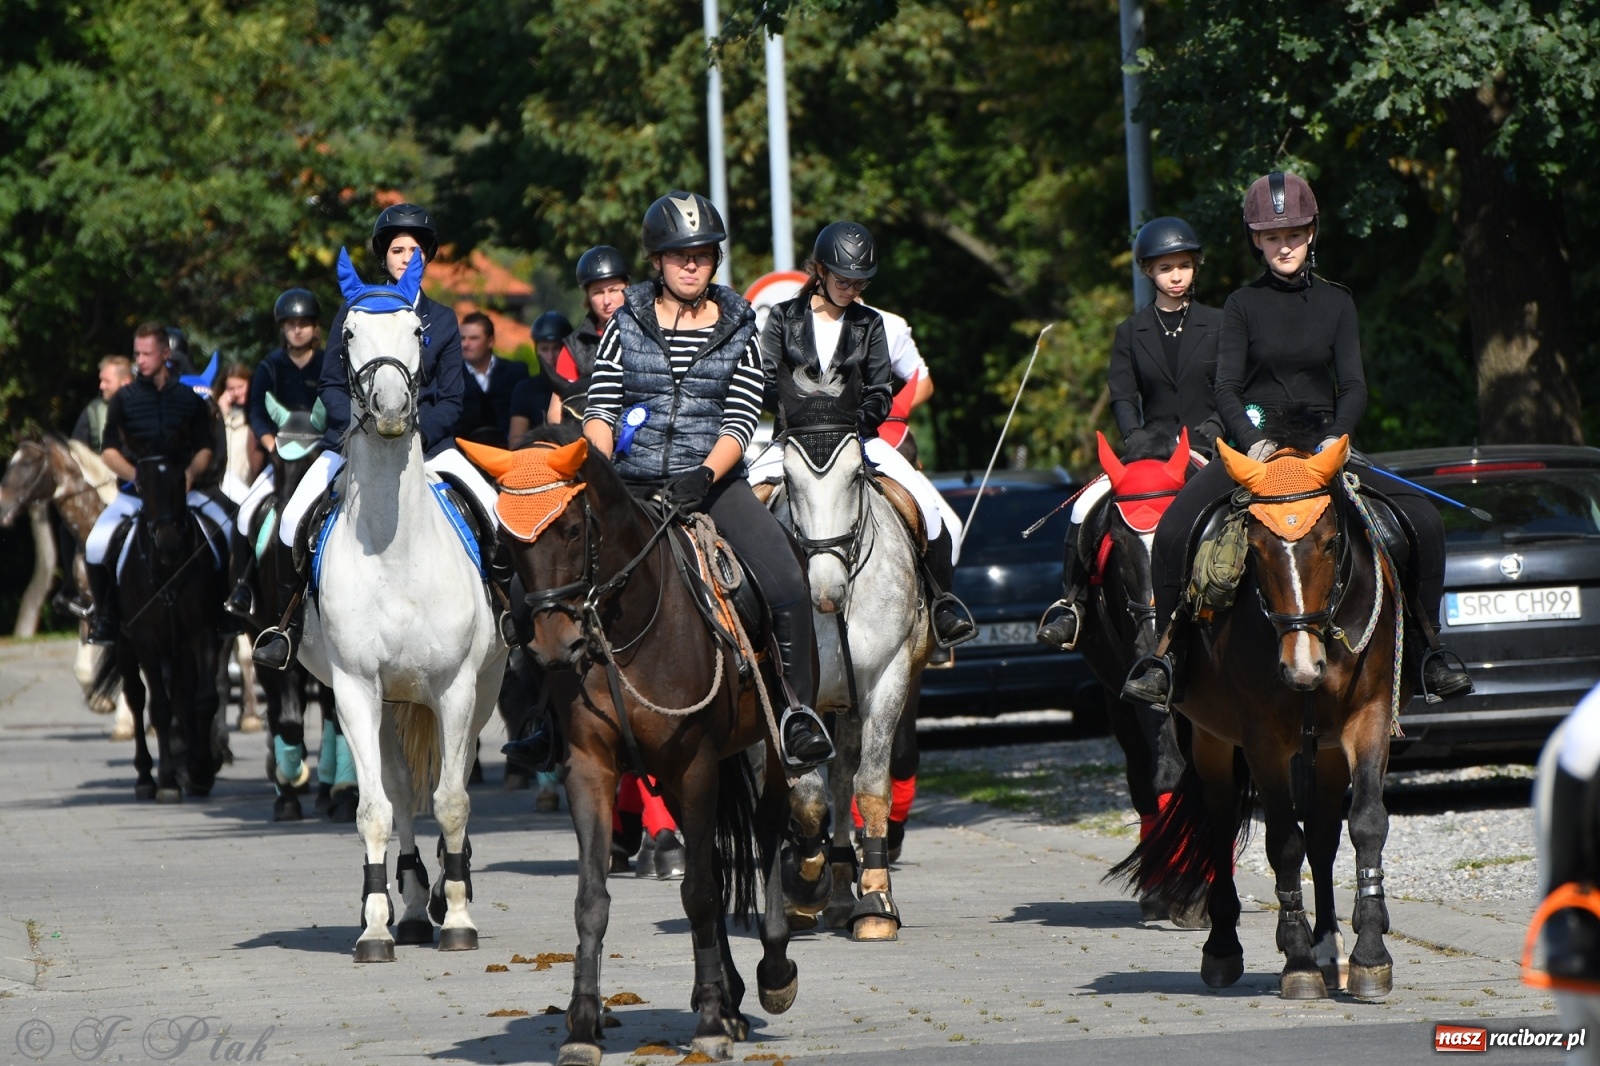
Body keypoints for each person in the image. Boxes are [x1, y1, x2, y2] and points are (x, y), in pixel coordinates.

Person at [510, 189, 834, 772]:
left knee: (787, 579)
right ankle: (544, 720)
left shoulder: (742, 325)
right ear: (656, 261)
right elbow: (603, 409)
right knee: (531, 581)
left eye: (704, 254)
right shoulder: (624, 322)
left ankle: (796, 714)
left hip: (710, 484)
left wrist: (704, 473)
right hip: (626, 485)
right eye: (680, 255)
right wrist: (600, 477)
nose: (692, 264)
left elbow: (740, 416)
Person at [1123, 172, 1473, 706]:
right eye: (1270, 236)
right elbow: (1226, 386)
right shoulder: (1241, 304)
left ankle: (1430, 651)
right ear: (1255, 241)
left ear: (1312, 233)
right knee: (1173, 530)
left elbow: (1353, 386)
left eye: (1294, 234)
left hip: (1324, 444)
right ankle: (1167, 657)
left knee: (1423, 520)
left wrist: (1336, 437)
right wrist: (1252, 441)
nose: (1283, 245)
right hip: (1258, 446)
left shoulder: (1338, 303)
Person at [253, 201, 500, 669]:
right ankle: (286, 626)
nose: (406, 257)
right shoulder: (354, 311)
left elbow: (451, 398)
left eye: (415, 250)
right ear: (384, 258)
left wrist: (414, 432)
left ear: (426, 258)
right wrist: (360, 430)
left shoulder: (443, 320)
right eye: (396, 249)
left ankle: (507, 613)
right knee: (290, 521)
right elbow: (330, 382)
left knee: (494, 511)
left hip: (429, 448)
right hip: (357, 443)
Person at [754, 220, 975, 649]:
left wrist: (854, 425)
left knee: (935, 514)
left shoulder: (870, 323)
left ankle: (941, 604)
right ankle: (744, 615)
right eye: (843, 279)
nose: (851, 289)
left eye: (860, 282)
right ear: (819, 269)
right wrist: (800, 419)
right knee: (744, 501)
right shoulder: (782, 318)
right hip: (791, 439)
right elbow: (765, 381)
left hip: (857, 437)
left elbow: (879, 390)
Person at [1037, 216, 1222, 650]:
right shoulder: (1130, 332)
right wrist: (1134, 437)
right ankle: (1073, 605)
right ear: (1147, 272)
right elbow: (1122, 395)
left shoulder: (1221, 323)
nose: (1175, 276)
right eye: (1164, 268)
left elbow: (1233, 386)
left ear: (1195, 267)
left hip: (1208, 446)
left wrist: (1216, 429)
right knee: (1085, 507)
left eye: (1183, 265)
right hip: (1149, 451)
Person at [82, 324, 232, 644]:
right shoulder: (126, 400)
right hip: (134, 496)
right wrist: (137, 476)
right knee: (95, 545)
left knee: (229, 533)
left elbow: (209, 447)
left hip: (185, 494)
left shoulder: (189, 399)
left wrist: (191, 474)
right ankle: (106, 617)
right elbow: (108, 451)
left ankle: (224, 609)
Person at [223, 288, 326, 620]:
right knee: (245, 513)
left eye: (304, 323)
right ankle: (243, 587)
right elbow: (256, 410)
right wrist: (269, 443)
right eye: (290, 323)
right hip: (280, 460)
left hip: (322, 460)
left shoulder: (328, 365)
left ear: (314, 327)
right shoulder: (270, 366)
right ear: (282, 328)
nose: (297, 330)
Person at [522, 245, 629, 435]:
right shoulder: (574, 345)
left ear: (627, 289)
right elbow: (555, 412)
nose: (606, 301)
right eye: (597, 292)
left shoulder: (650, 334)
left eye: (614, 290)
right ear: (588, 297)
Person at [454, 311, 529, 448]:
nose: (466, 344)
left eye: (474, 338)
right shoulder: (448, 376)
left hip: (508, 452)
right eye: (462, 338)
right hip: (463, 454)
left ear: (490, 341)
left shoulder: (516, 373)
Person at [216, 362, 262, 500]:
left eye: (240, 387)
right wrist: (221, 413)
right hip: (223, 483)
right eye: (231, 388)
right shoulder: (225, 418)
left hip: (247, 488)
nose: (236, 393)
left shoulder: (256, 418)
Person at [71, 357, 134, 453]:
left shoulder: (143, 407)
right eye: (101, 380)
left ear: (125, 381)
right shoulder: (93, 411)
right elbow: (76, 450)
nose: (101, 386)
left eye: (107, 381)